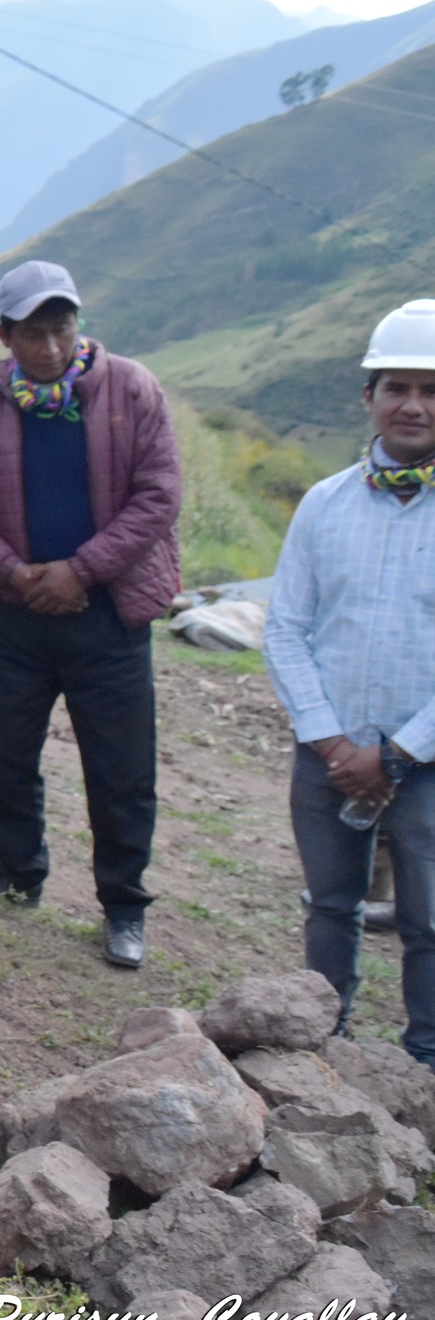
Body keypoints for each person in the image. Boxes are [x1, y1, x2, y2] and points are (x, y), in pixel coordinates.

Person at [0, 260, 182, 971]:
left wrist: (81, 570)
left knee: (121, 767)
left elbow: (158, 494)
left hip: (109, 613)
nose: (49, 347)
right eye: (33, 333)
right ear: (4, 335)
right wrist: (18, 574)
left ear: (78, 324)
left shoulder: (132, 389)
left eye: (61, 328)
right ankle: (18, 872)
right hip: (19, 614)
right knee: (8, 753)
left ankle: (124, 906)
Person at [263, 298, 435, 1070]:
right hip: (327, 754)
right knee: (330, 906)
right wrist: (331, 738)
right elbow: (286, 628)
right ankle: (320, 1048)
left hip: (427, 761)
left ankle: (426, 1059)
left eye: (432, 390)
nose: (415, 405)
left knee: (429, 920)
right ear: (367, 396)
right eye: (398, 387)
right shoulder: (324, 505)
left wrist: (398, 751)